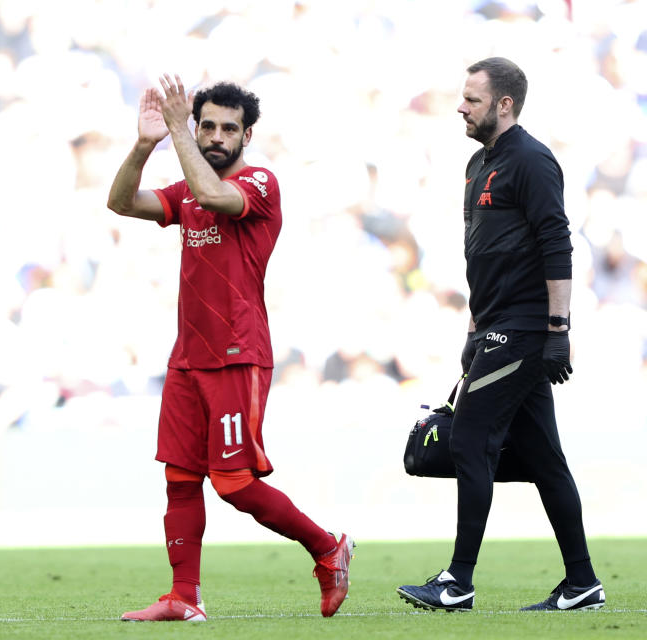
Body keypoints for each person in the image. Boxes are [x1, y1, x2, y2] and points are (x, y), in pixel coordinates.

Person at [107, 75, 353, 622]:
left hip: (237, 355)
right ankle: (183, 597)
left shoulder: (260, 183)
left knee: (235, 483)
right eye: (207, 126)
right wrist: (146, 145)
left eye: (228, 129)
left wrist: (178, 134)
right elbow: (120, 202)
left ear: (247, 136)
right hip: (187, 358)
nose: (217, 136)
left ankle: (328, 548)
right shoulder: (185, 192)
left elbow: (217, 195)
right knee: (178, 477)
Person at [396, 57, 604, 612]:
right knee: (544, 460)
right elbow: (482, 259)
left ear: (504, 104)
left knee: (469, 439)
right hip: (495, 327)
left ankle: (457, 581)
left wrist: (558, 329)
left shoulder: (533, 161)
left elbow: (556, 243)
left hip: (524, 328)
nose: (461, 107)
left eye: (472, 99)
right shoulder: (476, 165)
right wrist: (472, 328)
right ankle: (583, 582)